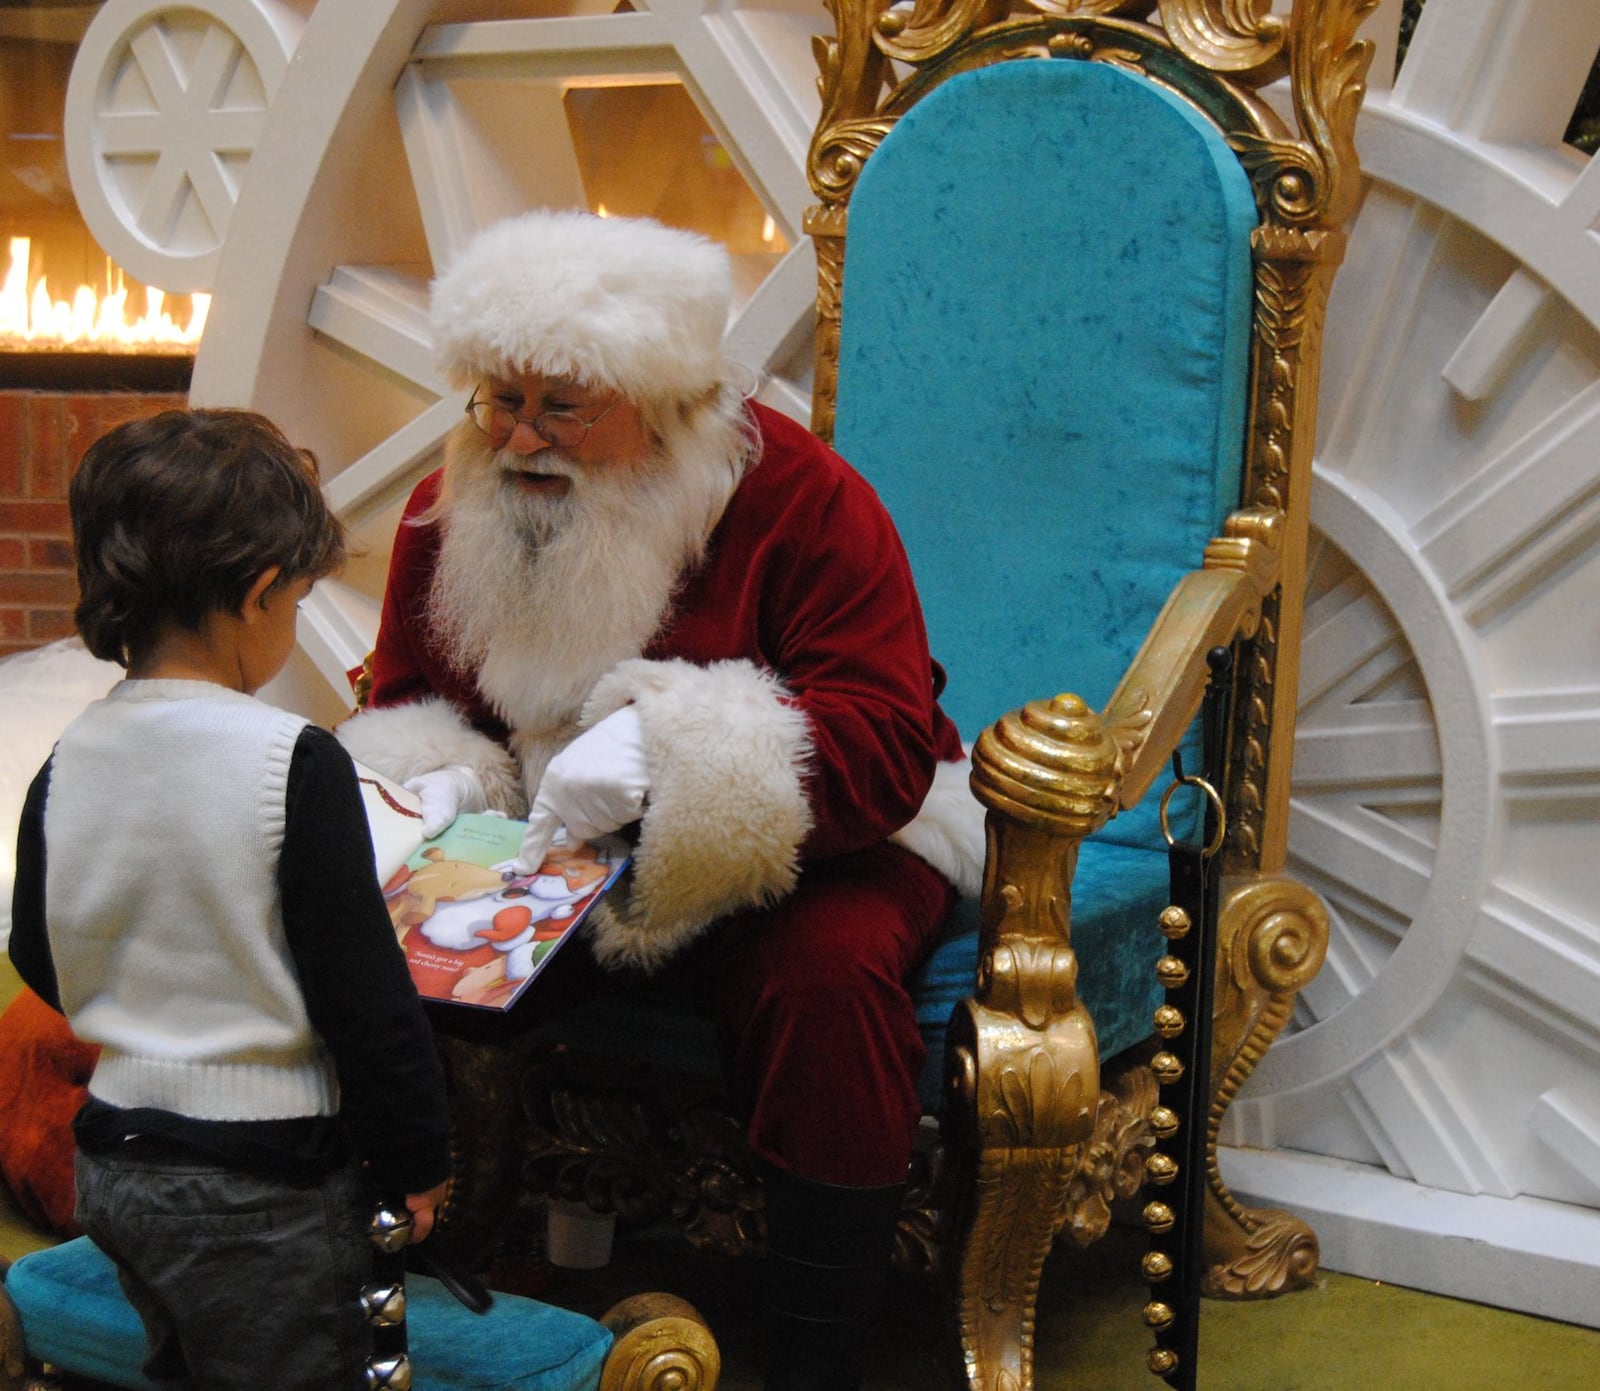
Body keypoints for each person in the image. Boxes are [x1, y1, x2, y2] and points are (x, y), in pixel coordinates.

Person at [335, 207, 984, 1390]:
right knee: (380, 946)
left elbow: (886, 743)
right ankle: (396, 1279)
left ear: (669, 404)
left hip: (818, 850)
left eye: (563, 406)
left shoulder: (808, 499)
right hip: (549, 843)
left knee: (826, 983)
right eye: (497, 398)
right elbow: (411, 695)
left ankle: (815, 1354)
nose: (518, 436)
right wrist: (440, 779)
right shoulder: (454, 502)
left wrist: (669, 749)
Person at [7, 409, 453, 1391]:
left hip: (117, 1163)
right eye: (296, 596)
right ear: (259, 591)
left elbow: (38, 949)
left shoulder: (68, 760)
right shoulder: (292, 761)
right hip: (265, 1181)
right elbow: (364, 996)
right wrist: (418, 1154)